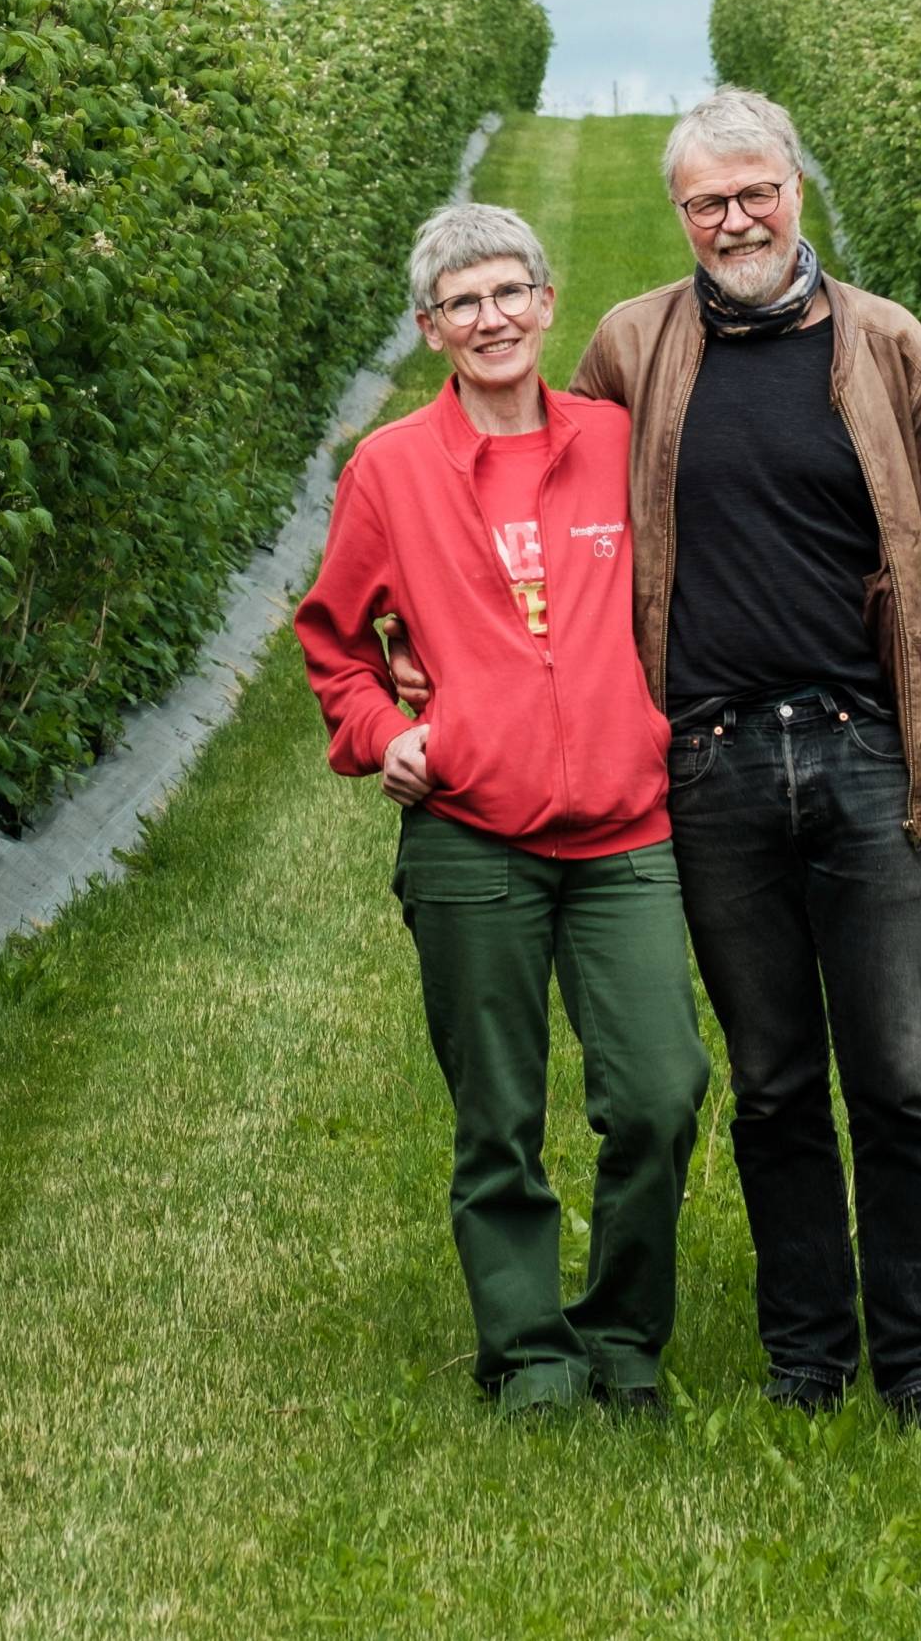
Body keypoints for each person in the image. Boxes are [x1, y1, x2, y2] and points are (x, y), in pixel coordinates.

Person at [397, 90, 921, 1429]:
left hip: (861, 759)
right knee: (775, 1079)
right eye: (705, 203)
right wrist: (413, 686)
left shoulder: (896, 351)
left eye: (755, 193)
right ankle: (805, 1354)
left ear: (796, 187)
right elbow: (523, 522)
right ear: (681, 215)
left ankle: (920, 1362)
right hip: (710, 765)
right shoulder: (635, 346)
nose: (733, 219)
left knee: (899, 1077)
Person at [294, 202, 709, 1419]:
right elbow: (333, 644)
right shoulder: (390, 469)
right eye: (461, 303)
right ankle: (529, 1349)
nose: (491, 318)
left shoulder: (615, 444)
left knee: (661, 1089)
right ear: (431, 330)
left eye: (508, 293)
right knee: (498, 1109)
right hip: (473, 836)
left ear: (545, 302)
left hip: (627, 828)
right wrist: (389, 737)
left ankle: (625, 1332)